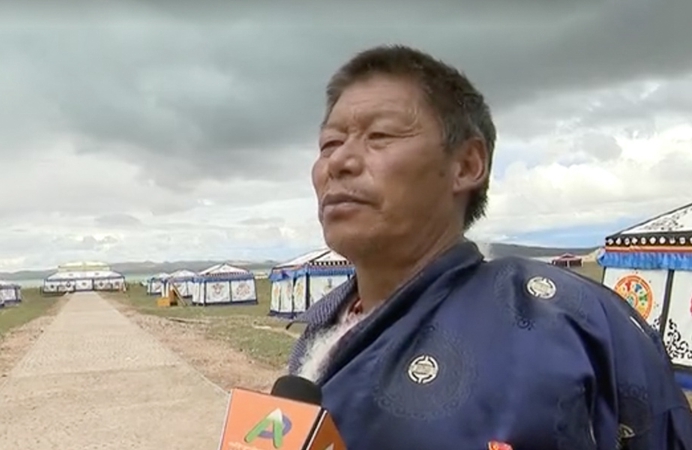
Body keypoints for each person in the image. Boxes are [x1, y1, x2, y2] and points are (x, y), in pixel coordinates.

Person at [288, 44, 692, 450]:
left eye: (379, 136)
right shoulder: (321, 331)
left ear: (466, 165)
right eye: (329, 143)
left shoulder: (570, 320)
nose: (338, 162)